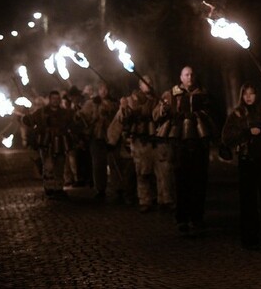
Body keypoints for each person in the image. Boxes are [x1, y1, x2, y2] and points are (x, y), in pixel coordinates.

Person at [154, 66, 216, 234]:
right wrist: (164, 110)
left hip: (198, 143)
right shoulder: (170, 94)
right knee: (181, 181)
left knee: (199, 181)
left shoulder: (203, 93)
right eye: (186, 74)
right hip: (179, 144)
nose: (190, 77)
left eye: (192, 74)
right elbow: (156, 115)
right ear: (180, 77)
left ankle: (197, 217)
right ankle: (182, 218)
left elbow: (213, 114)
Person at [221, 83, 261, 251]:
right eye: (245, 93)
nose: (248, 97)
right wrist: (246, 132)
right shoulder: (238, 114)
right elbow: (227, 136)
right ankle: (250, 237)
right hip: (246, 160)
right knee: (248, 200)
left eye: (252, 93)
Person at [108, 75, 165, 213]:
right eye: (146, 83)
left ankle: (163, 200)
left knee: (161, 172)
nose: (149, 85)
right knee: (142, 172)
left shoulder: (158, 98)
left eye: (150, 82)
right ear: (140, 85)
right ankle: (144, 200)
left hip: (156, 140)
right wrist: (124, 108)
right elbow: (122, 118)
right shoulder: (131, 100)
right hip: (140, 140)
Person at [22, 90, 77, 199]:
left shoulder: (65, 113)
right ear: (49, 99)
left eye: (57, 99)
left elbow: (73, 124)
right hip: (46, 143)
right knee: (48, 166)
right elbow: (30, 121)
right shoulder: (41, 112)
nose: (55, 101)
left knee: (60, 167)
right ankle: (49, 188)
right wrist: (27, 118)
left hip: (61, 142)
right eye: (53, 99)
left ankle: (58, 188)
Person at [79, 81, 118, 200]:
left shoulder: (114, 103)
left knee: (115, 163)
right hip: (97, 137)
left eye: (106, 89)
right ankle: (100, 189)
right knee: (98, 165)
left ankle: (118, 188)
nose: (104, 91)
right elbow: (82, 117)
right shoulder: (91, 103)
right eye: (101, 89)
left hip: (113, 137)